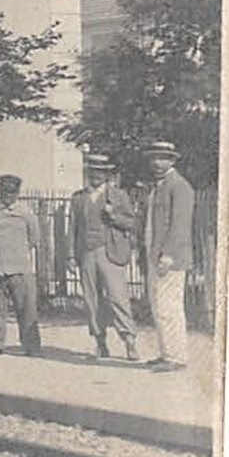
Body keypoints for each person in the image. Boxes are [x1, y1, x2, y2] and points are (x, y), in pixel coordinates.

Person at [66, 153, 138, 361]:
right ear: (87, 172)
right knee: (91, 300)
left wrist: (113, 215)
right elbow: (72, 228)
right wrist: (70, 256)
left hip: (110, 252)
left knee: (118, 298)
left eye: (101, 171)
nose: (96, 175)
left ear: (107, 174)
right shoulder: (78, 198)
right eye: (92, 170)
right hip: (87, 253)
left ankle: (129, 341)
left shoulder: (118, 196)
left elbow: (131, 223)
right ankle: (100, 342)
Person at [140, 140, 194, 372]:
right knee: (158, 306)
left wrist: (168, 254)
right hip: (154, 254)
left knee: (169, 306)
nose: (157, 162)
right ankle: (166, 353)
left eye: (162, 157)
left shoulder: (180, 186)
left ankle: (175, 357)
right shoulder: (157, 187)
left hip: (169, 258)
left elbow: (180, 225)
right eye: (153, 157)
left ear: (172, 160)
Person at [0, 174, 41, 356]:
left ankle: (31, 346)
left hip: (20, 269)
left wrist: (18, 253)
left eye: (12, 193)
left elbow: (34, 238)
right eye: (5, 192)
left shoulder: (26, 212)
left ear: (17, 192)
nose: (8, 197)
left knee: (27, 310)